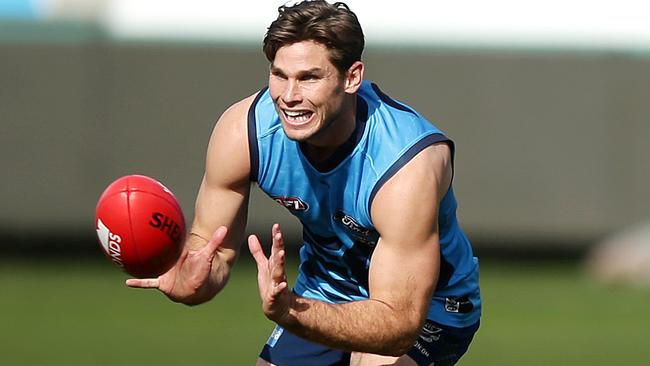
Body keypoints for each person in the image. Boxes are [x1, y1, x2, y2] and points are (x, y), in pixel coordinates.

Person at [126, 1, 481, 365]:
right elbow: (212, 250)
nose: (289, 97)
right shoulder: (244, 132)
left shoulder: (405, 166)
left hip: (427, 308)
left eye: (309, 77)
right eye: (280, 75)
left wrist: (292, 310)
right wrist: (192, 279)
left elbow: (397, 326)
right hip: (327, 289)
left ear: (352, 77)